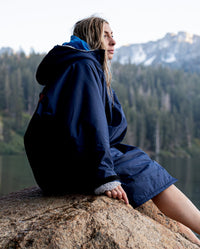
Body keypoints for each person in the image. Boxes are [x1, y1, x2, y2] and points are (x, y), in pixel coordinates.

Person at [24, 16, 200, 245]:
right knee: (141, 166)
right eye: (105, 35)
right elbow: (89, 124)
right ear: (89, 37)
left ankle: (192, 238)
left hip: (60, 165)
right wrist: (106, 177)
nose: (113, 42)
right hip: (67, 165)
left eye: (113, 35)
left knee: (138, 163)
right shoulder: (83, 65)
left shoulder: (83, 66)